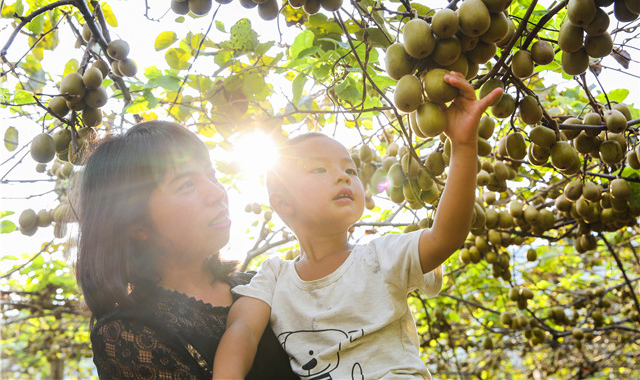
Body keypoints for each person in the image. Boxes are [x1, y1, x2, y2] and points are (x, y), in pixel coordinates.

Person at [213, 72, 504, 379]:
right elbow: (242, 330)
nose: (343, 176)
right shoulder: (273, 276)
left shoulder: (381, 256)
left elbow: (447, 235)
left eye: (349, 169)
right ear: (283, 203)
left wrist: (463, 146)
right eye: (319, 169)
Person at [74, 120, 297, 379]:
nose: (216, 193)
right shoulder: (127, 333)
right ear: (136, 224)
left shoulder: (261, 286)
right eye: (186, 185)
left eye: (210, 174)